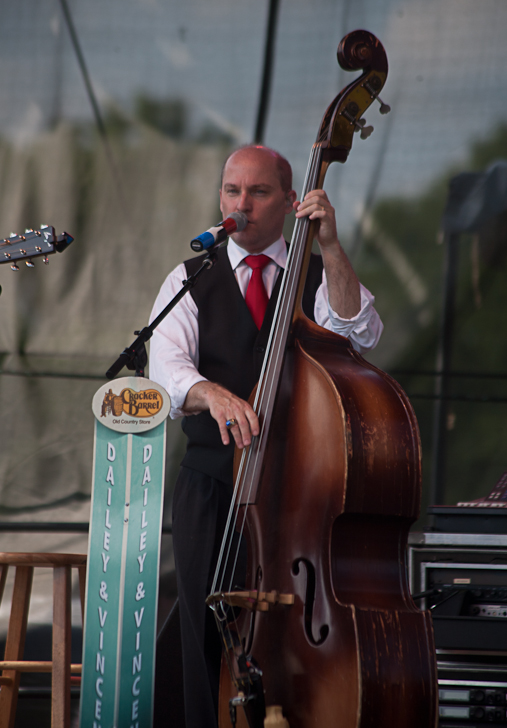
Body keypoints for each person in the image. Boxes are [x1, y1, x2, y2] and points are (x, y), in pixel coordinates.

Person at [149, 145, 383, 728]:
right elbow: (166, 367)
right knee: (203, 630)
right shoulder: (189, 277)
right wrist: (212, 393)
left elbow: (358, 333)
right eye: (232, 191)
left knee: (296, 625)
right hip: (211, 484)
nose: (241, 205)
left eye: (257, 192)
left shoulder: (315, 274)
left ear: (290, 200)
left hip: (298, 491)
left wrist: (331, 247)